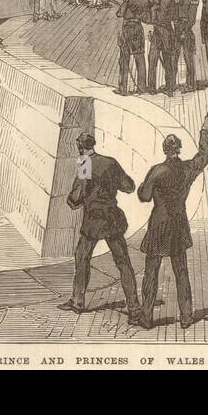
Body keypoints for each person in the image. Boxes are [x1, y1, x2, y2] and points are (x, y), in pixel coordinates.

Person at [136, 107, 208, 328]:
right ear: (179, 149)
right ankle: (186, 316)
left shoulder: (157, 171)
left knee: (151, 272)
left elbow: (144, 197)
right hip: (178, 223)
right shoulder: (187, 168)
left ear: (165, 149)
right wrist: (207, 126)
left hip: (158, 225)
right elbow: (206, 154)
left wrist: (143, 187)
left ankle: (146, 317)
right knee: (181, 271)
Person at [60, 133, 140, 321]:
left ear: (80, 146)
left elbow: (78, 194)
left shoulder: (85, 163)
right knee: (123, 262)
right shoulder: (110, 162)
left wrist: (72, 201)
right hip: (112, 217)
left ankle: (77, 301)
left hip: (94, 219)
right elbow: (129, 186)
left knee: (82, 256)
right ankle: (134, 307)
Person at [114, 0, 149, 96]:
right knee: (140, 59)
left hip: (127, 28)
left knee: (124, 58)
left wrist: (125, 2)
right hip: (138, 28)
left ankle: (123, 88)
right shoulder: (145, 0)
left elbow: (119, 13)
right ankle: (142, 87)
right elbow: (147, 19)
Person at [146, 0, 178, 96]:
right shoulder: (173, 0)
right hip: (168, 31)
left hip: (158, 31)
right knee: (168, 60)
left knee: (152, 58)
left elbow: (151, 19)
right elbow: (175, 17)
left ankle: (152, 87)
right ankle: (170, 88)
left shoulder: (157, 1)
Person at [175, 0, 200, 93]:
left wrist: (184, 31)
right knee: (174, 57)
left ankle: (191, 84)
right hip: (177, 28)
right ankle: (172, 84)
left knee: (188, 58)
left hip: (186, 29)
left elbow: (192, 19)